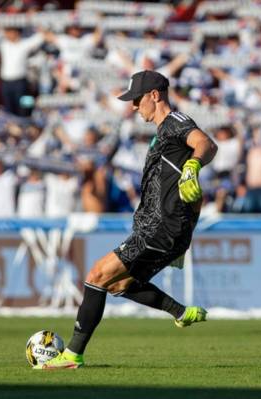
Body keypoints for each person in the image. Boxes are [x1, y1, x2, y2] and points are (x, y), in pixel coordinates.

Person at [38, 71, 218, 369]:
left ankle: (71, 356)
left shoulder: (176, 122)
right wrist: (184, 237)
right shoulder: (164, 132)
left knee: (96, 275)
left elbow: (206, 144)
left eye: (137, 99)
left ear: (155, 95)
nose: (134, 106)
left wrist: (193, 165)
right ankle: (180, 312)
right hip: (163, 228)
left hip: (160, 227)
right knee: (118, 285)